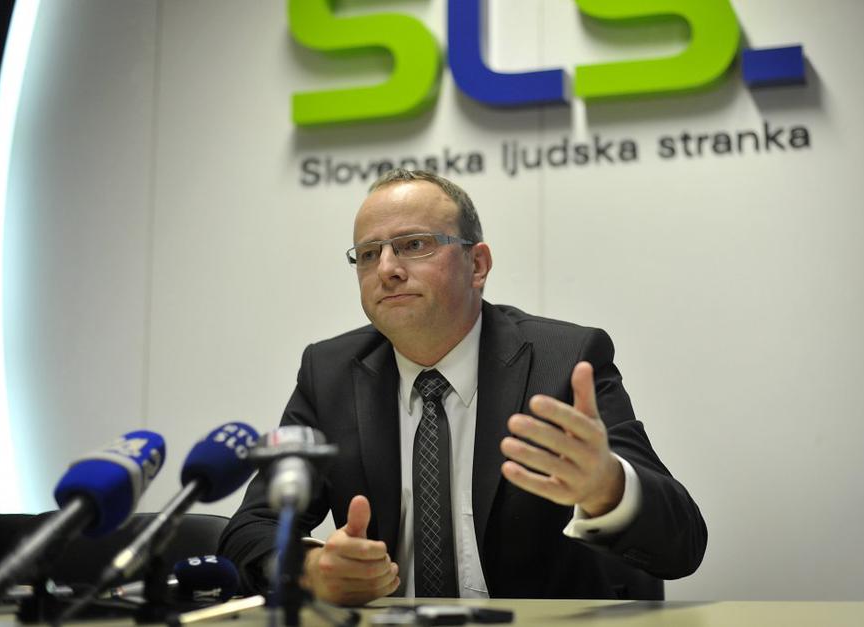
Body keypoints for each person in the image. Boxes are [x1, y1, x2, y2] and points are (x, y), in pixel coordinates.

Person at [218, 169, 706, 605]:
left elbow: (683, 545)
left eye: (414, 245)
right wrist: (311, 569)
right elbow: (250, 528)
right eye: (368, 254)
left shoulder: (564, 362)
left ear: (477, 266)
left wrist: (608, 488)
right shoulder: (329, 372)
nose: (387, 269)